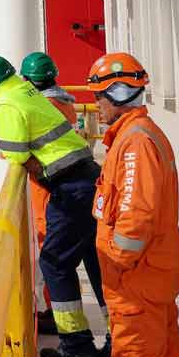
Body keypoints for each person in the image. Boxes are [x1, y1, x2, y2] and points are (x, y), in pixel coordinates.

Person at [89, 52, 179, 357]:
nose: (95, 105)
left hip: (137, 282)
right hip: (151, 277)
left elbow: (135, 218)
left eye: (100, 96)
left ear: (118, 93)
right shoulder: (138, 136)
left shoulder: (134, 145)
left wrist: (116, 263)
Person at [0, 54, 107, 357]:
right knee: (95, 261)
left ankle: (76, 345)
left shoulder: (6, 101)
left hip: (70, 188)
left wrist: (8, 151)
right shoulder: (26, 91)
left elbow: (17, 153)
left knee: (55, 263)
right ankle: (119, 337)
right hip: (86, 177)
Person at [20, 51, 107, 332]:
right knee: (92, 261)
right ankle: (110, 329)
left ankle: (69, 332)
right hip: (75, 185)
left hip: (55, 192)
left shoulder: (45, 107)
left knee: (54, 259)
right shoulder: (65, 104)